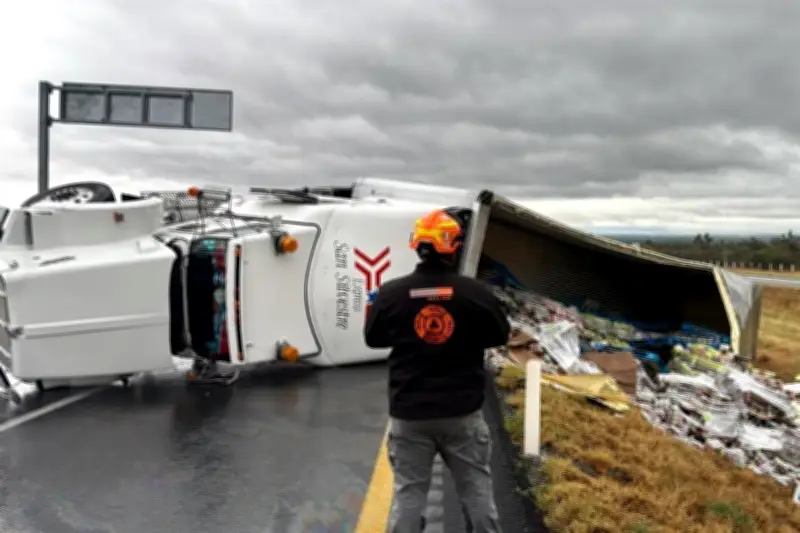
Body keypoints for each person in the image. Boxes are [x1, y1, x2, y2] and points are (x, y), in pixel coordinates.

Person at [364, 207, 511, 533]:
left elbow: (373, 338)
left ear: (417, 245)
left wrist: (408, 334)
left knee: (409, 493)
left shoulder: (391, 294)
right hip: (462, 412)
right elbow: (500, 334)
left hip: (409, 412)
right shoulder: (475, 293)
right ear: (453, 247)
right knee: (475, 489)